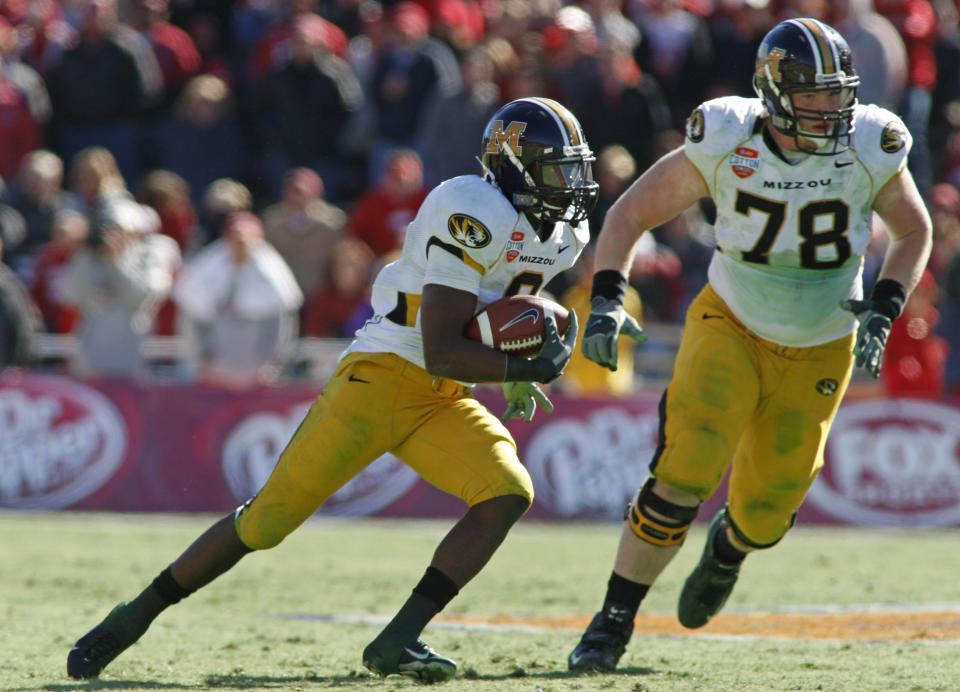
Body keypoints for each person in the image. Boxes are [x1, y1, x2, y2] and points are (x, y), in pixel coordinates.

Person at [66, 96, 597, 682]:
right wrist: (522, 369)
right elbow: (442, 343)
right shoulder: (471, 205)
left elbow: (495, 309)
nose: (572, 183)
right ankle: (134, 616)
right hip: (381, 377)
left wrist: (511, 359)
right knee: (264, 524)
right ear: (513, 165)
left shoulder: (565, 232)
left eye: (575, 167)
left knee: (506, 492)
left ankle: (398, 640)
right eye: (557, 167)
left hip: (444, 394)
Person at [566, 17, 933, 673]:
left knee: (768, 510)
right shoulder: (726, 135)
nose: (832, 108)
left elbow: (913, 230)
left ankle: (729, 549)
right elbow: (630, 214)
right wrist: (606, 297)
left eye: (838, 92)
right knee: (686, 466)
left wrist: (885, 304)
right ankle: (612, 621)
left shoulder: (872, 142)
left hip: (824, 338)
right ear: (774, 90)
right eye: (815, 94)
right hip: (730, 317)